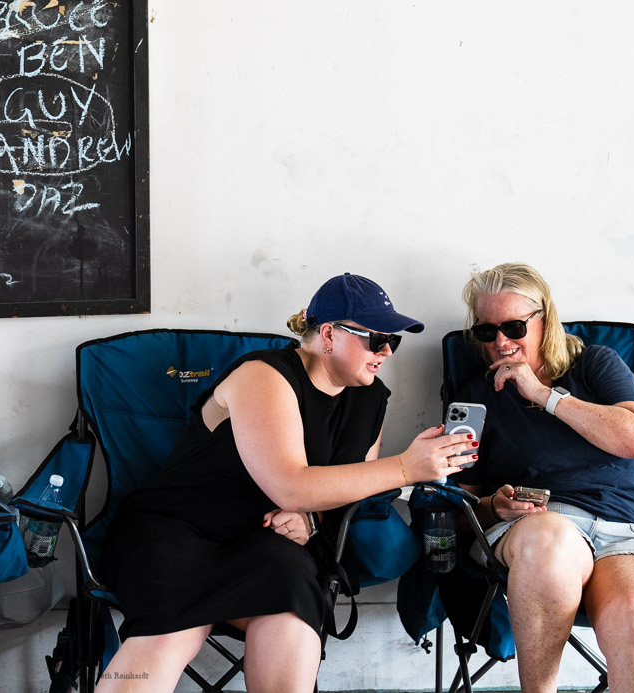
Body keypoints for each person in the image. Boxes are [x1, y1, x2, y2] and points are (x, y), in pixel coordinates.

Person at [97, 273, 472, 693]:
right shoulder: (264, 374)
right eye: (375, 339)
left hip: (264, 540)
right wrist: (405, 468)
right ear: (328, 334)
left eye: (393, 341)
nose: (386, 351)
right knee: (173, 629)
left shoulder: (371, 398)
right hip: (175, 528)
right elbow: (290, 487)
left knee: (292, 604)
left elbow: (352, 491)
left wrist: (313, 523)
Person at [454, 263, 634, 693]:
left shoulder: (595, 364)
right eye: (487, 333)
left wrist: (544, 396)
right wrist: (494, 506)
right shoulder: (476, 396)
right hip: (538, 528)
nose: (501, 343)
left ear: (546, 319)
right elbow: (461, 504)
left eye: (512, 327)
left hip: (631, 530)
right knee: (553, 540)